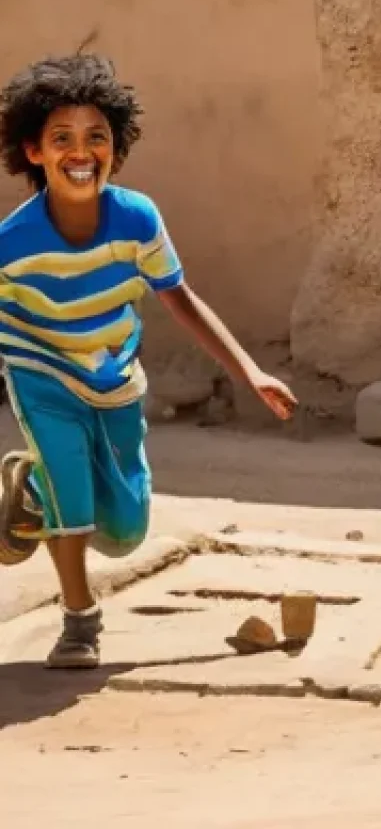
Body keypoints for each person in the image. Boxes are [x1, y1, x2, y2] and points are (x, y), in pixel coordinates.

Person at [0, 54, 298, 669]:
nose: (80, 152)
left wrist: (251, 371)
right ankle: (79, 621)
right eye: (62, 139)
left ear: (115, 149)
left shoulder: (136, 219)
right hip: (39, 369)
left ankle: (26, 487)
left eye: (96, 137)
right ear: (34, 152)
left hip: (112, 377)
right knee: (72, 499)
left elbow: (180, 300)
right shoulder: (13, 243)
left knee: (125, 532)